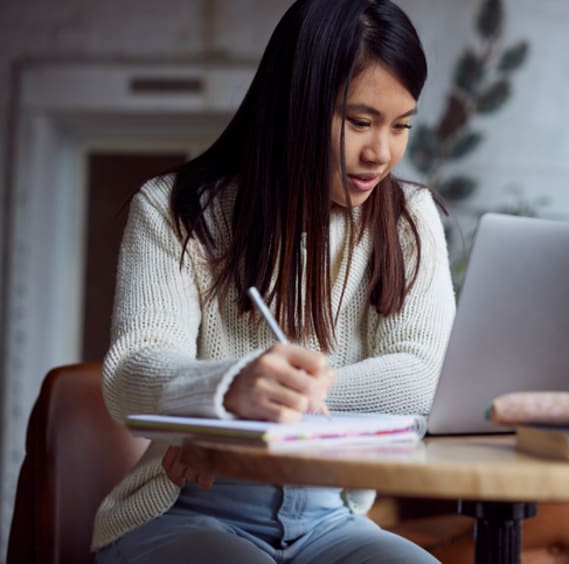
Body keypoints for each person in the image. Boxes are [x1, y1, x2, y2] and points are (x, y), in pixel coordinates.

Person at [92, 0, 456, 562]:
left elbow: (425, 382)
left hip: (332, 519)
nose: (380, 152)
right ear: (296, 106)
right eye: (359, 122)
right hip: (187, 506)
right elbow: (132, 372)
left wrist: (244, 413)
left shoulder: (409, 218)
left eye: (401, 125)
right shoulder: (174, 209)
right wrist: (232, 384)